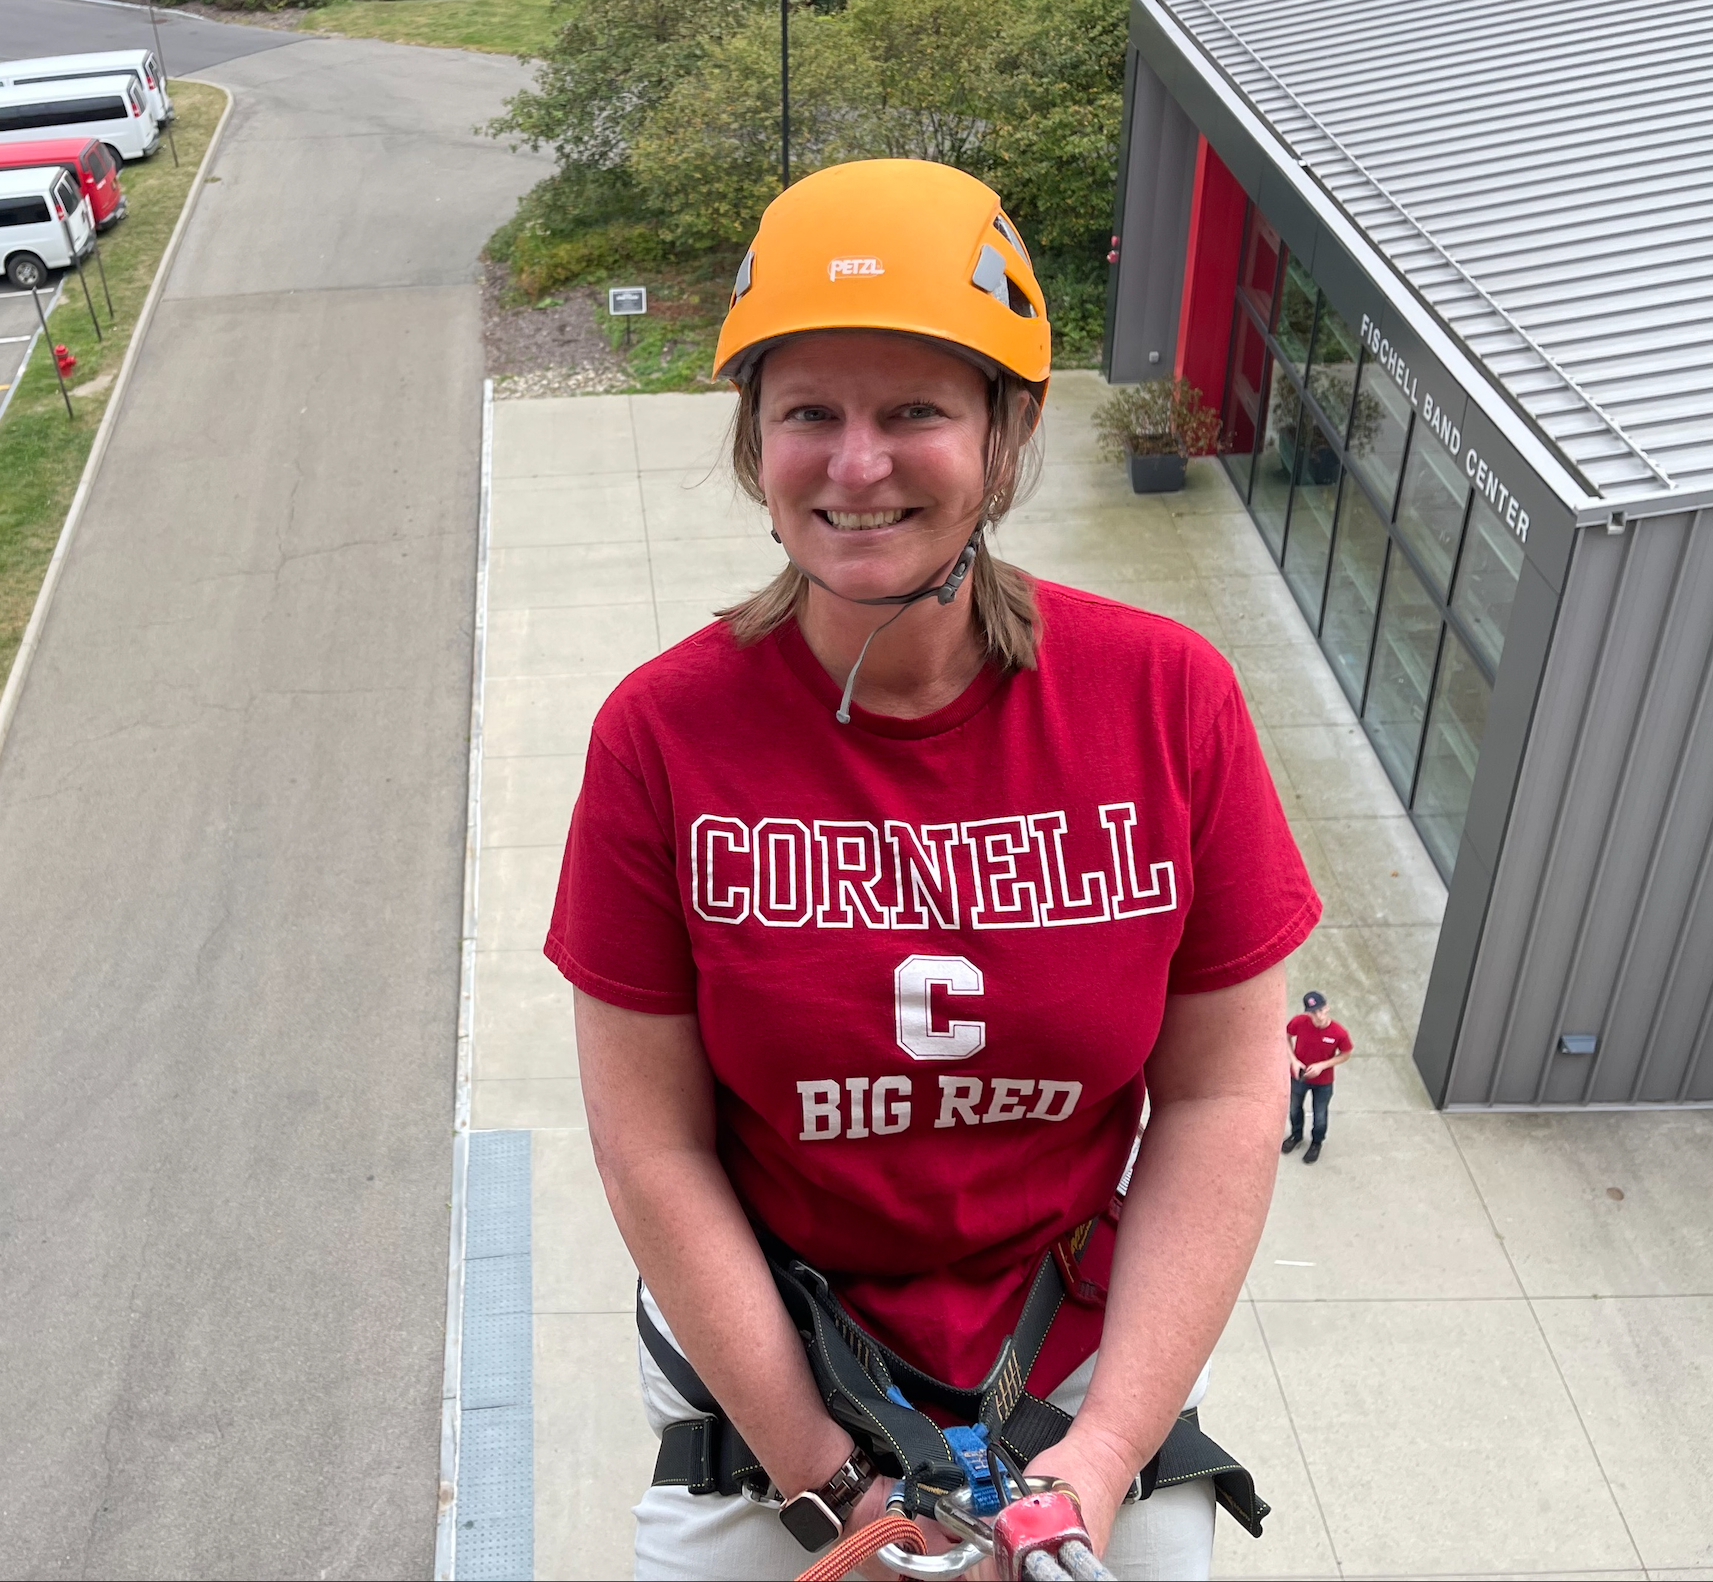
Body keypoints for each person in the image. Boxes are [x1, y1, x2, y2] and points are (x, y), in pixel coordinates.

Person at [547, 160, 1322, 1582]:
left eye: (915, 410)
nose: (857, 464)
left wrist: (1094, 1463)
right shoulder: (661, 740)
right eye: (808, 415)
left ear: (1006, 438)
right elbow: (650, 1146)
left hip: (1077, 1367)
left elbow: (1220, 1094)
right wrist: (827, 1484)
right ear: (753, 444)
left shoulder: (1166, 703)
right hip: (777, 1380)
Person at [1281, 991, 1352, 1164]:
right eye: (1313, 1012)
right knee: (1294, 1108)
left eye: (1320, 1010)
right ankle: (1296, 1135)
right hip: (1299, 1077)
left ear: (1327, 1008)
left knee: (1320, 1114)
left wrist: (1322, 1065)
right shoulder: (1299, 1022)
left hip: (1323, 1082)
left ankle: (1316, 1142)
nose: (1318, 1015)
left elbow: (1346, 1053)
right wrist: (1294, 1061)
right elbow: (1285, 1037)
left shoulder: (1338, 1033)